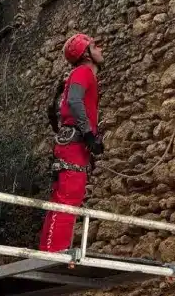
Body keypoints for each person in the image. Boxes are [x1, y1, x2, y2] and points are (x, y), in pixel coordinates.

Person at [39, 33, 105, 253]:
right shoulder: (83, 72)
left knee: (64, 196)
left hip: (73, 144)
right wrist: (88, 134)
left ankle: (50, 250)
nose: (101, 49)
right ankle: (54, 252)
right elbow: (74, 101)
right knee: (68, 195)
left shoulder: (80, 74)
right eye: (95, 46)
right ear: (86, 54)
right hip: (75, 144)